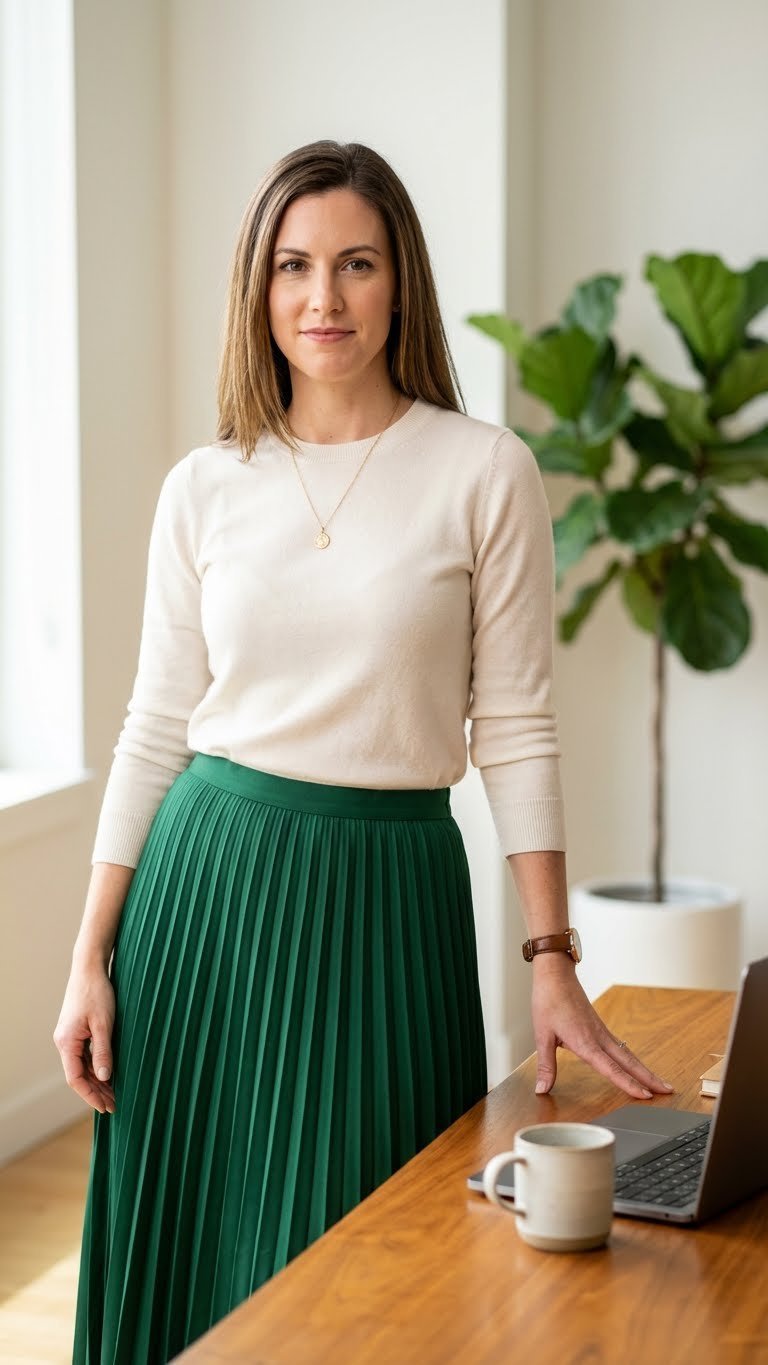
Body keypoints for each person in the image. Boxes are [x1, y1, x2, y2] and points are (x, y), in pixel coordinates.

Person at [55, 138, 672, 1363]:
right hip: (205, 896)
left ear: (402, 283)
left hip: (390, 899)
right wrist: (89, 954)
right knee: (197, 1255)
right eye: (292, 267)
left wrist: (552, 956)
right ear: (258, 288)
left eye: (354, 264)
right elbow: (155, 724)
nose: (322, 299)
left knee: (384, 1269)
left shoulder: (483, 471)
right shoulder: (204, 486)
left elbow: (517, 726)